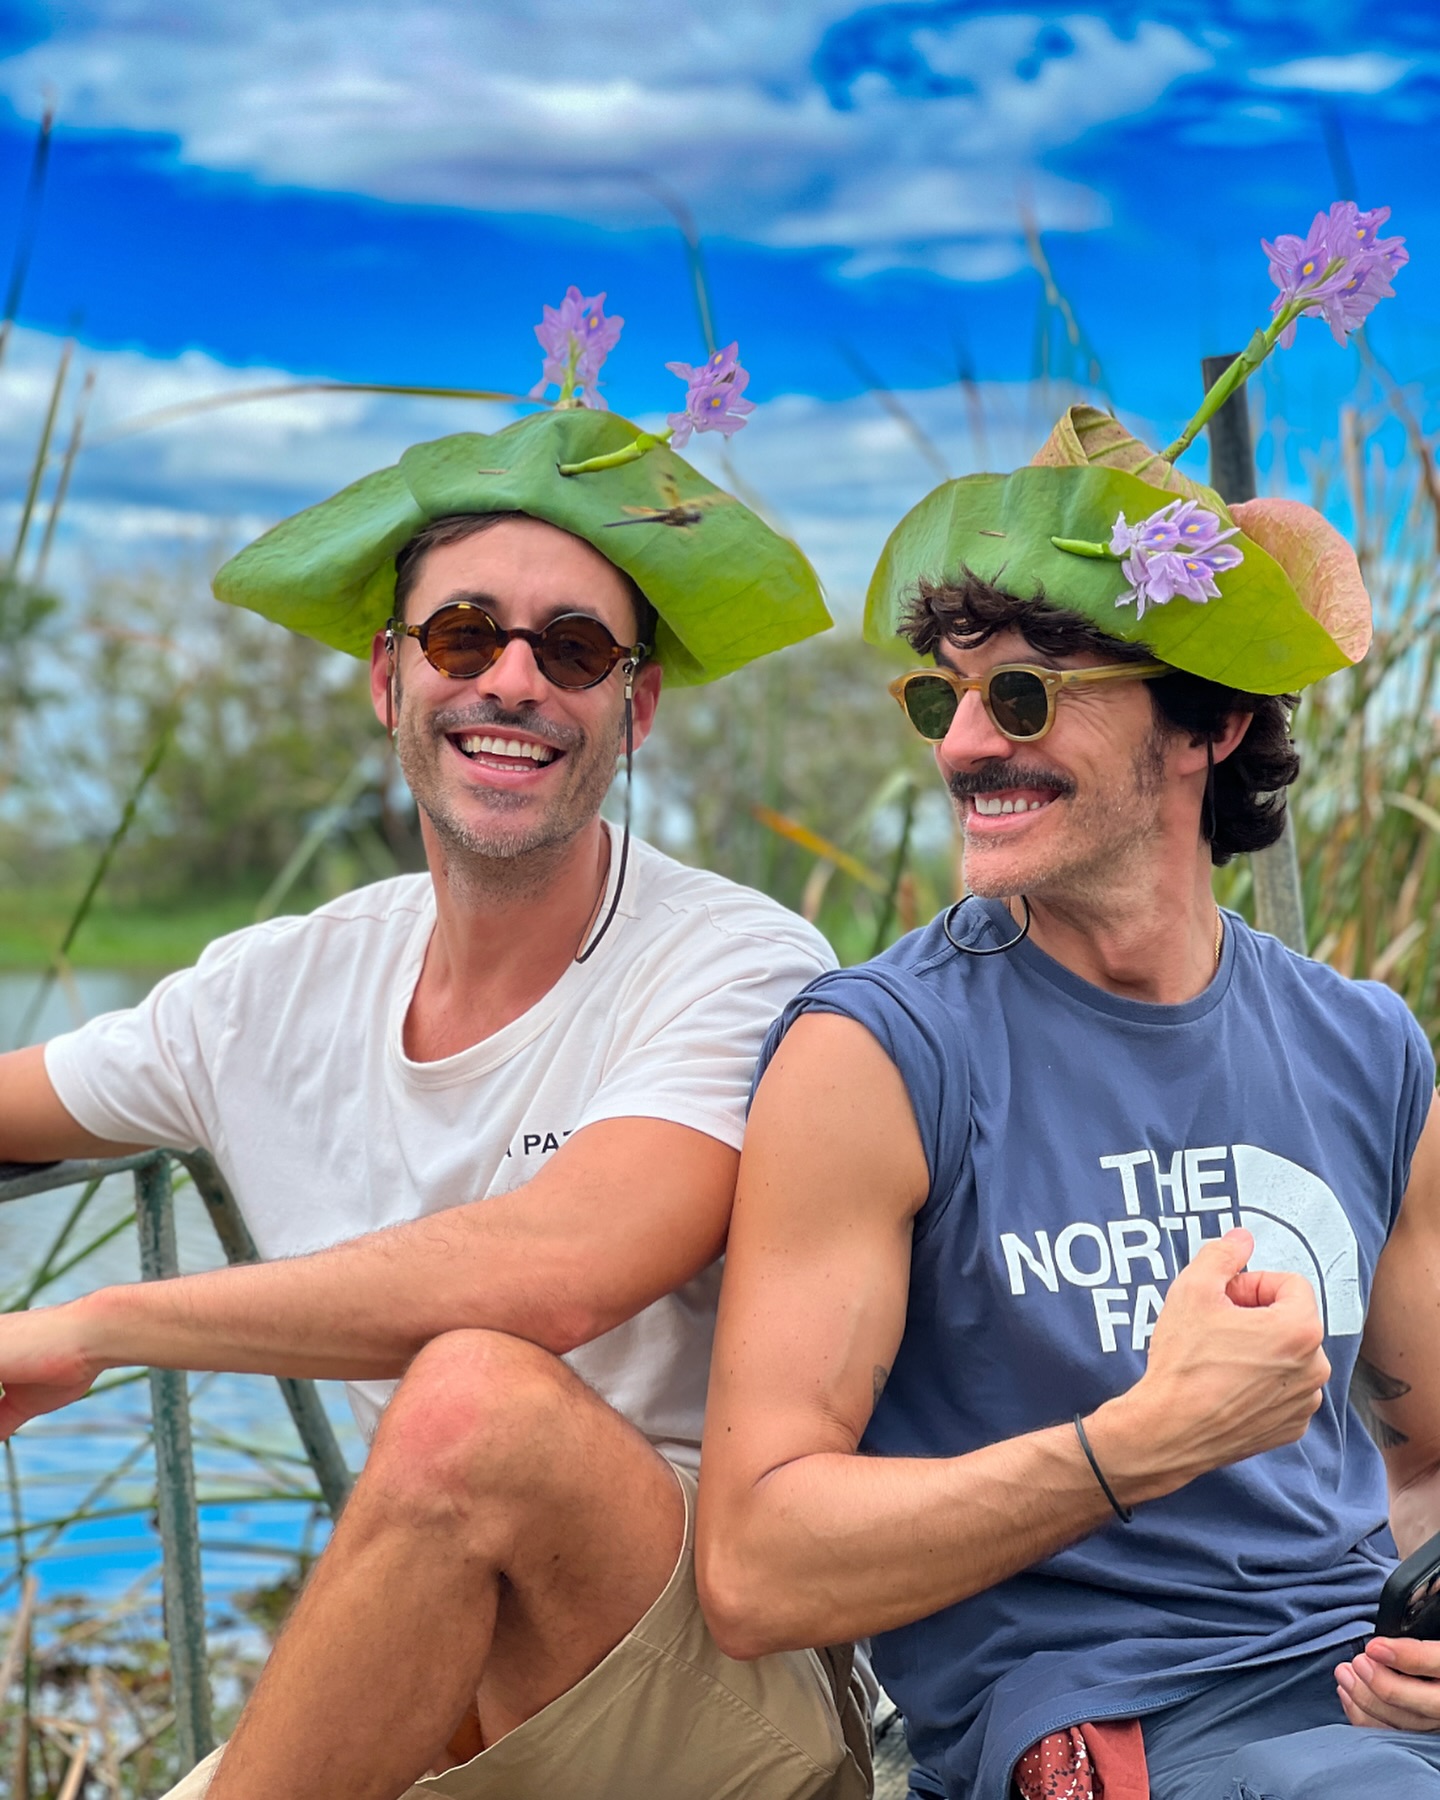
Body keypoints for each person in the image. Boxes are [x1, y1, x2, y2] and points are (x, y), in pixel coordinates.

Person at [0, 385, 872, 1800]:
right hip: (437, 1674)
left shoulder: (740, 959)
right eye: (465, 634)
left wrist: (90, 1327)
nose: (514, 680)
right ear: (388, 677)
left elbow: (558, 1271)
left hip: (713, 1694)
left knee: (475, 1399)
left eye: (576, 649)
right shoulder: (273, 988)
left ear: (634, 703)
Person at [697, 248, 1440, 1800]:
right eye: (942, 699)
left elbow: (1425, 1459)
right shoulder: (880, 1055)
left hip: (1369, 1712)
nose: (966, 745)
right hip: (1115, 1740)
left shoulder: (1371, 1051)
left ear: (1210, 723)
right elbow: (758, 1563)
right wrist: (1141, 1442)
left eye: (1025, 697)